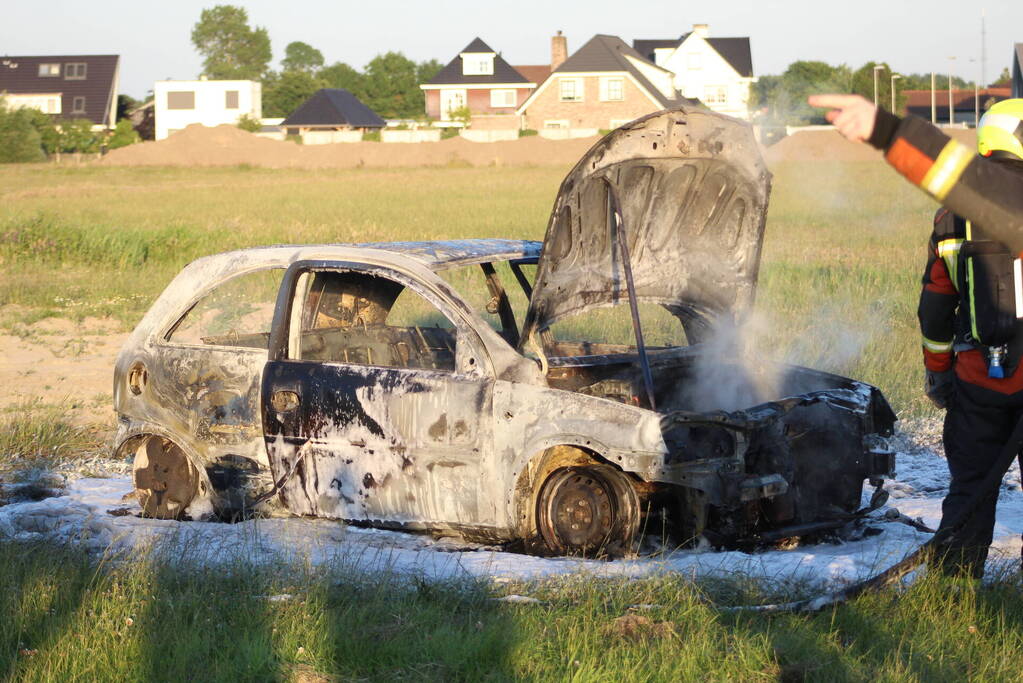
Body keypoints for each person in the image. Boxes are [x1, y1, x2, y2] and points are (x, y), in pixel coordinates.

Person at [915, 99, 1023, 577]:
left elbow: (935, 309)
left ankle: (953, 594)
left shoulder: (954, 214)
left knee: (971, 489)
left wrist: (938, 376)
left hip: (979, 379)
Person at [808, 94, 1023, 251]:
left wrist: (886, 130)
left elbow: (935, 304)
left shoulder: (949, 217)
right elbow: (1002, 200)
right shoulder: (1007, 203)